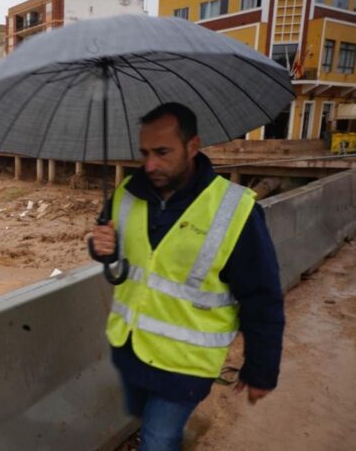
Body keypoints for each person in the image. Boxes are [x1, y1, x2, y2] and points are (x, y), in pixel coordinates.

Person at [88, 102, 285, 450]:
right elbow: (117, 262)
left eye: (162, 152)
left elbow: (262, 297)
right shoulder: (127, 193)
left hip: (186, 365)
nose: (150, 164)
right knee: (146, 421)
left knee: (156, 439)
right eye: (145, 152)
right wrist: (101, 248)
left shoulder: (234, 210)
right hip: (131, 349)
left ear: (192, 146)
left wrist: (261, 368)